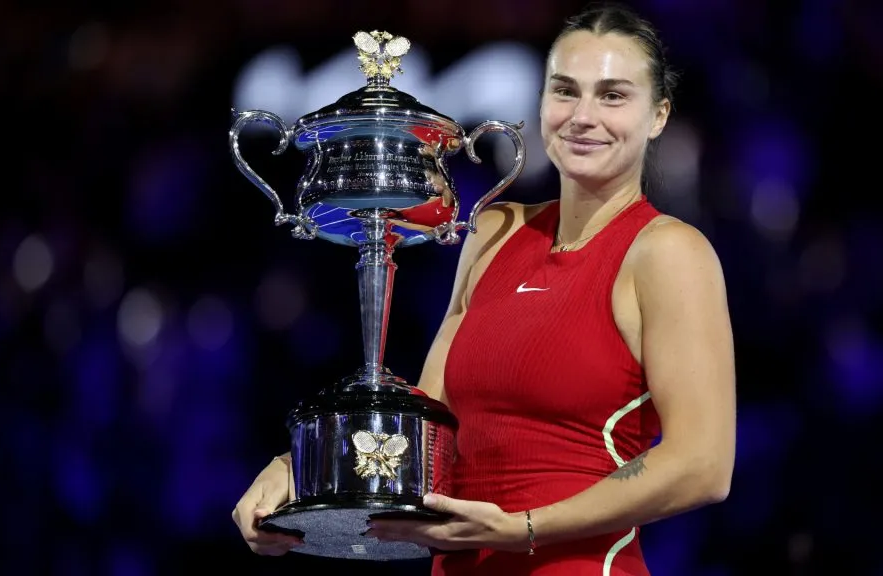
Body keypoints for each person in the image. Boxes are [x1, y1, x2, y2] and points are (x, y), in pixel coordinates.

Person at [232, 2, 737, 574]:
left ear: (658, 116)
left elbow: (703, 464)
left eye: (614, 95)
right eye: (565, 91)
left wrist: (526, 527)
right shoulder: (494, 230)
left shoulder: (668, 251)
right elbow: (426, 430)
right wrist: (297, 466)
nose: (583, 116)